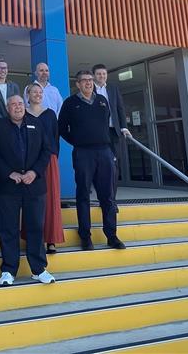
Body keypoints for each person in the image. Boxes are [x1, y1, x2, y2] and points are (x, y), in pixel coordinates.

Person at [58, 70, 125, 252]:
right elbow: (62, 128)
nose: (88, 83)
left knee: (108, 196)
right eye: (84, 80)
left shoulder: (103, 101)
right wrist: (78, 141)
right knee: (83, 196)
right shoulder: (70, 103)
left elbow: (107, 126)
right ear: (77, 84)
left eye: (90, 80)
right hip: (83, 153)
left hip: (104, 152)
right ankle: (85, 236)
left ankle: (111, 235)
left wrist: (109, 148)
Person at [0, 95, 54, 286]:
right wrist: (8, 173)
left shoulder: (37, 123)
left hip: (34, 185)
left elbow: (47, 150)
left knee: (36, 227)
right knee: (8, 228)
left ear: (24, 106)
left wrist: (34, 172)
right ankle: (9, 270)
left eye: (20, 104)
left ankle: (38, 269)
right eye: (13, 104)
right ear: (7, 108)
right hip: (8, 185)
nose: (17, 107)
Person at [25, 83, 65, 254]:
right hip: (28, 162)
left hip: (49, 161)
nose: (38, 94)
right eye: (34, 92)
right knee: (31, 201)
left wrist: (53, 158)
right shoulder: (23, 114)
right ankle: (34, 238)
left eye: (40, 92)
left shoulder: (50, 114)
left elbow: (55, 138)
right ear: (27, 95)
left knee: (51, 199)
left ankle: (51, 239)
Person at [92, 64, 132, 156]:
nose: (102, 76)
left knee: (115, 158)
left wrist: (124, 127)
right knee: (100, 156)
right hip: (97, 130)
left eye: (104, 73)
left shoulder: (113, 88)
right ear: (94, 76)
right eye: (98, 74)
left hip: (113, 130)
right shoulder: (90, 89)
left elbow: (120, 108)